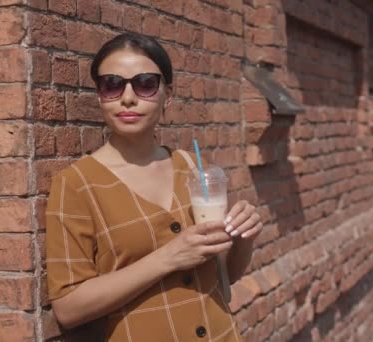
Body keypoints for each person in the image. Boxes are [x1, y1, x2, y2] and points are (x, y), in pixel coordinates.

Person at [45, 32, 263, 341]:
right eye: (113, 84)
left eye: (145, 83)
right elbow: (68, 308)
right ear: (100, 96)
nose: (128, 97)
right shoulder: (76, 184)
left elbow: (224, 273)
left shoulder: (191, 167)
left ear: (167, 95)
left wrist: (244, 237)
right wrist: (168, 257)